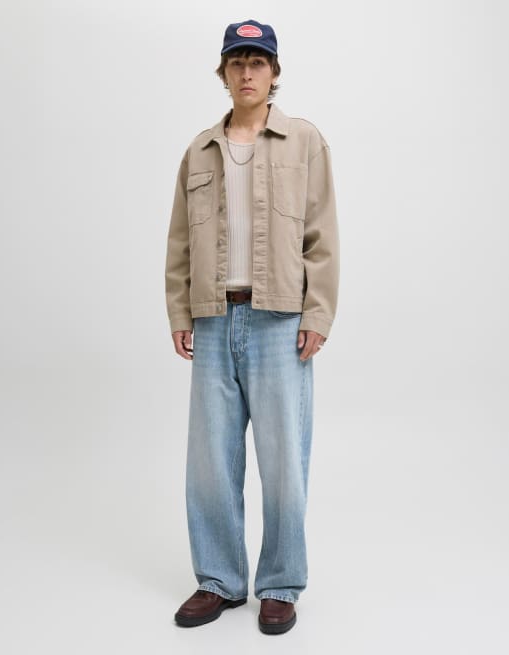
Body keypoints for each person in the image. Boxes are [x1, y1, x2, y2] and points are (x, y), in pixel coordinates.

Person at [165, 19, 340, 634]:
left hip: (279, 322)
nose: (247, 73)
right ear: (223, 72)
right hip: (213, 320)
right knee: (210, 462)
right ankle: (219, 580)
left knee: (284, 460)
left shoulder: (304, 141)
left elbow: (322, 237)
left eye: (257, 62)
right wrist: (180, 311)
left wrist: (317, 313)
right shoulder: (199, 150)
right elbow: (180, 242)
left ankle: (281, 584)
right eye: (236, 62)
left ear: (273, 72)